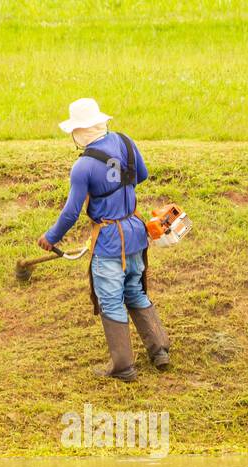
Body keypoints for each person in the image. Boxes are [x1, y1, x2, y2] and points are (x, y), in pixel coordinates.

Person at [38, 98, 170, 381]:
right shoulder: (126, 142)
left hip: (109, 242)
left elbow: (72, 212)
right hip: (135, 233)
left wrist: (51, 237)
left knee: (111, 300)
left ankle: (122, 366)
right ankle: (159, 349)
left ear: (79, 131)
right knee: (134, 290)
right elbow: (141, 175)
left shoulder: (83, 166)